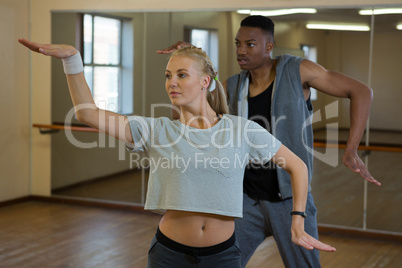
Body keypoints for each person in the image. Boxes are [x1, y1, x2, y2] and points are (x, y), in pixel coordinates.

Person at [19, 39, 335, 267]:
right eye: (168, 76)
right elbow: (87, 114)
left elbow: (298, 166)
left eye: (181, 74)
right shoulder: (158, 130)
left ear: (206, 82)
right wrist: (72, 60)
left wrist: (297, 221)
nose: (171, 82)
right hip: (168, 254)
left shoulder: (242, 130)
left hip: (223, 255)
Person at [157, 15, 380, 268]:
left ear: (269, 47)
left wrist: (351, 149)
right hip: (245, 201)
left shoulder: (298, 70)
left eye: (250, 44)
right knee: (223, 263)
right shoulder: (233, 84)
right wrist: (190, 60)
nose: (241, 51)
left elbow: (361, 91)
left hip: (289, 202)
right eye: (237, 44)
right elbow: (195, 104)